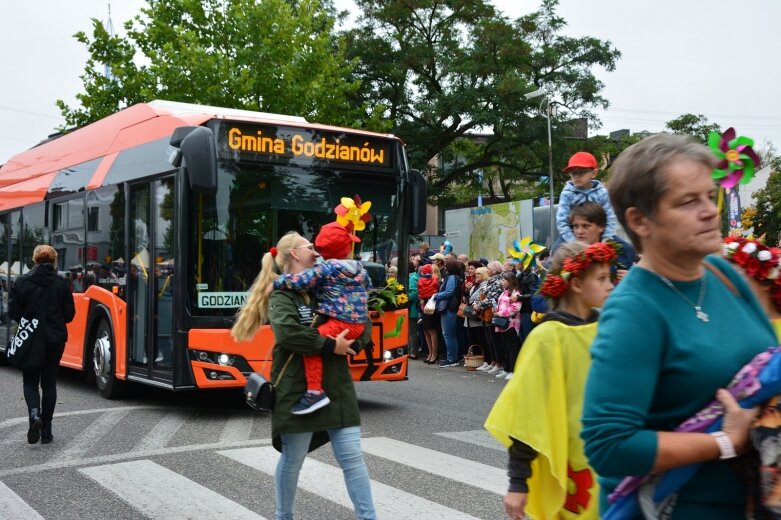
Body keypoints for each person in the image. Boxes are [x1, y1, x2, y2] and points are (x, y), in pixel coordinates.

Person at [581, 134, 777, 518]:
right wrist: (723, 441)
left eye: (709, 195)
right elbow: (608, 446)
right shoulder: (634, 310)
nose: (709, 211)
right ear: (640, 221)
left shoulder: (722, 273)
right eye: (688, 201)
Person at [231, 231, 377, 520]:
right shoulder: (284, 293)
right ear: (295, 254)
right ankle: (283, 516)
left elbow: (360, 319)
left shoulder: (327, 280)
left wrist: (353, 342)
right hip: (298, 390)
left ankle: (368, 518)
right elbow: (288, 334)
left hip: (337, 388)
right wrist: (331, 345)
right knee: (293, 460)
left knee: (352, 459)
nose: (316, 249)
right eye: (309, 246)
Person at [485, 241, 616, 520]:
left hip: (611, 466)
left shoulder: (610, 329)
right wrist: (518, 482)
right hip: (575, 470)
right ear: (577, 284)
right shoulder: (548, 338)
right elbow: (527, 413)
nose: (611, 285)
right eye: (602, 278)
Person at [272, 222, 371, 415]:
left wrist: (277, 282)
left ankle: (314, 392)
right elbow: (367, 288)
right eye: (309, 249)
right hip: (356, 324)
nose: (315, 254)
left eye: (314, 248)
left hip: (340, 323)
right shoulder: (360, 268)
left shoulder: (326, 269)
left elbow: (301, 281)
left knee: (314, 346)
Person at [9, 245, 75, 444]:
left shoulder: (21, 282)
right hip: (55, 339)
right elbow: (70, 315)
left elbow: (13, 312)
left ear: (34, 260)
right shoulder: (62, 283)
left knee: (30, 380)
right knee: (49, 383)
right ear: (54, 261)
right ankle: (46, 429)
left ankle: (34, 415)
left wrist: (28, 320)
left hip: (30, 338)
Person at [556, 151, 618, 243]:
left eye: (581, 172)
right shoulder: (567, 194)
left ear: (593, 173)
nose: (576, 176)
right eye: (573, 173)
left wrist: (606, 240)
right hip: (573, 235)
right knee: (557, 252)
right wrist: (574, 243)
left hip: (599, 234)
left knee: (624, 248)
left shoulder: (602, 193)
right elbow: (561, 221)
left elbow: (610, 217)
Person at [433, 257, 463, 367]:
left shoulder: (451, 278)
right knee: (452, 335)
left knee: (448, 334)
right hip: (452, 308)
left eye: (446, 266)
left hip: (449, 308)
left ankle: (451, 358)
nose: (445, 267)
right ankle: (454, 357)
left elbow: (449, 292)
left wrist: (436, 295)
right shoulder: (457, 277)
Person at [417, 264, 440, 363]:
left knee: (428, 331)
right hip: (431, 305)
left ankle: (432, 353)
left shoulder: (421, 280)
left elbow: (419, 292)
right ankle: (432, 353)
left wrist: (421, 298)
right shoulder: (435, 280)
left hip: (426, 305)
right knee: (430, 331)